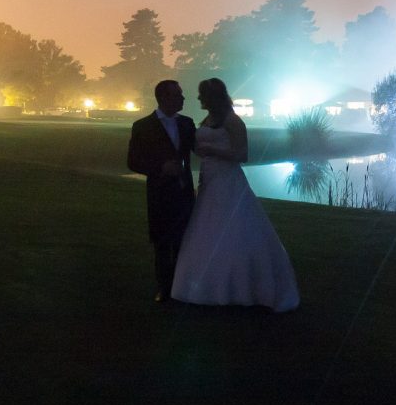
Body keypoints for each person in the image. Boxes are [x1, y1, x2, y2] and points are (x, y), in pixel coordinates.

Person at [171, 78, 300, 312]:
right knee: (207, 227)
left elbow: (242, 154)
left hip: (228, 180)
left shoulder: (232, 121)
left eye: (202, 95)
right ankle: (207, 283)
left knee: (233, 227)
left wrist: (211, 150)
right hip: (210, 180)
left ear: (213, 97)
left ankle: (239, 285)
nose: (198, 99)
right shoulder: (208, 119)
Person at [127, 80, 197, 303]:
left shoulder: (187, 123)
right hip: (159, 193)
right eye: (178, 94)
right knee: (161, 244)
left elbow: (199, 147)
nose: (183, 98)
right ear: (164, 98)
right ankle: (164, 289)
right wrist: (160, 169)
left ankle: (182, 286)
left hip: (184, 192)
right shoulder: (142, 126)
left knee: (183, 242)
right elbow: (133, 161)